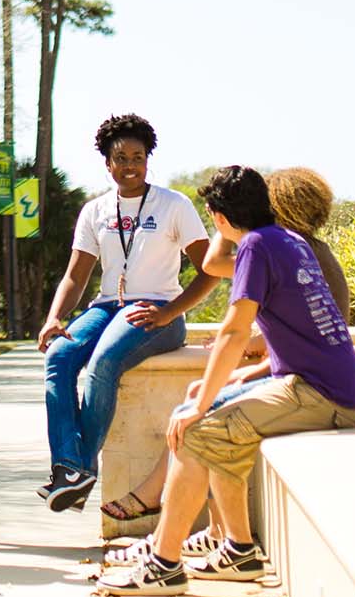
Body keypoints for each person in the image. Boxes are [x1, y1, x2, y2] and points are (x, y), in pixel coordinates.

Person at [98, 166, 355, 597]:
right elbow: (301, 329)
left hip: (320, 395)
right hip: (320, 385)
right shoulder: (287, 241)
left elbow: (234, 332)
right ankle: (237, 548)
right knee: (202, 414)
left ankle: (164, 564)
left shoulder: (258, 247)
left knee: (198, 428)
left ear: (219, 218)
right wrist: (229, 384)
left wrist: (202, 404)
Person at [35, 114, 220, 512]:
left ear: (148, 159)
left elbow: (211, 271)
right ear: (108, 163)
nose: (130, 166)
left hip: (155, 311)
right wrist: (53, 318)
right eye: (121, 158)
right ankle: (70, 468)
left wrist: (170, 312)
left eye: (138, 157)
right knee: (60, 356)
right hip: (105, 307)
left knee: (104, 361)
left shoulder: (174, 205)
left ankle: (77, 468)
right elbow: (75, 274)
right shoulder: (95, 210)